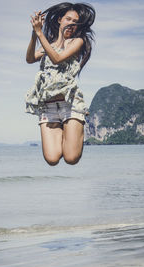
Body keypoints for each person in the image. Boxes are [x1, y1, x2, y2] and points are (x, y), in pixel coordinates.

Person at [25, 2, 95, 166]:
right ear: (59, 20)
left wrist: (39, 33)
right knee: (52, 159)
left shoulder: (77, 41)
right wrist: (34, 34)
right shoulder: (47, 45)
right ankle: (68, 131)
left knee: (71, 159)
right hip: (48, 107)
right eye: (68, 19)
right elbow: (29, 59)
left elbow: (57, 59)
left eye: (75, 22)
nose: (72, 23)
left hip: (70, 105)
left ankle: (75, 128)